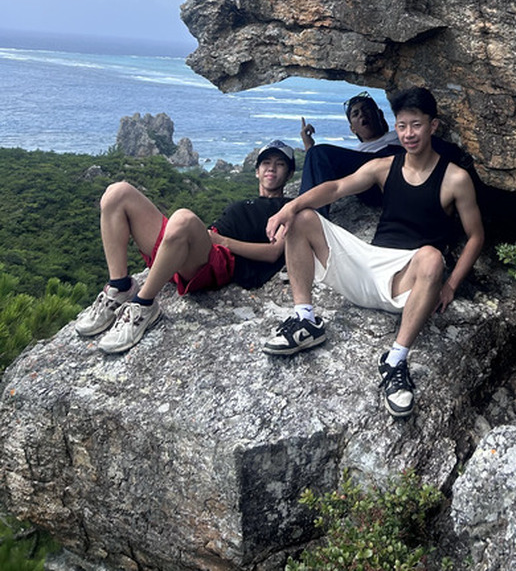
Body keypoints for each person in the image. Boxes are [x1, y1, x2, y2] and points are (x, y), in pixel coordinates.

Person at [260, 87, 484, 420]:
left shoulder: (455, 179)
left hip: (406, 282)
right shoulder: (383, 166)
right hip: (368, 266)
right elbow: (336, 187)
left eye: (416, 125)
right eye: (402, 126)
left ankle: (395, 361)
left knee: (431, 257)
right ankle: (305, 319)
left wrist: (450, 285)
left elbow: (476, 236)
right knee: (302, 217)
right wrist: (289, 207)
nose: (408, 134)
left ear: (433, 126)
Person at [74, 140, 296, 354]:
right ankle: (120, 287)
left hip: (219, 261)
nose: (272, 168)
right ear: (256, 171)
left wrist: (222, 241)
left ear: (289, 174)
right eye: (266, 163)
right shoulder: (247, 203)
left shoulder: (288, 208)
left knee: (183, 218)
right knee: (117, 192)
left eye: (280, 164)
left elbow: (273, 252)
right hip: (184, 252)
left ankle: (144, 305)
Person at [299, 92, 394, 205]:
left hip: (398, 173)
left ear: (379, 114)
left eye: (366, 109)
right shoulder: (354, 159)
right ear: (353, 129)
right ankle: (306, 212)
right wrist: (309, 148)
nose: (362, 114)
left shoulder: (400, 136)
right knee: (318, 153)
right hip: (373, 186)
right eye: (355, 114)